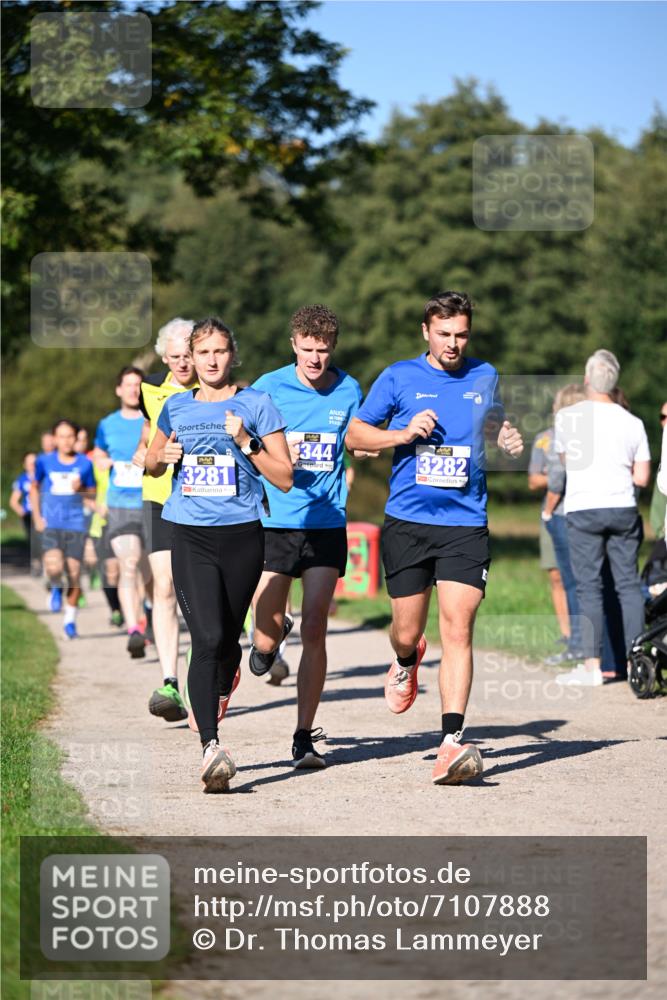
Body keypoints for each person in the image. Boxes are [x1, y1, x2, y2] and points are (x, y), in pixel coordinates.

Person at [345, 290, 523, 785]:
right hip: (408, 521)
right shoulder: (399, 377)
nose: (453, 343)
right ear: (426, 331)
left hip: (466, 523)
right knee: (407, 629)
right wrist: (402, 435)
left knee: (459, 628)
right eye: (444, 334)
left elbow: (490, 423)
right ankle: (406, 659)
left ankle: (450, 741)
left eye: (461, 334)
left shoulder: (484, 375)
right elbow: (356, 436)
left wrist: (503, 434)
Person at [145, 317, 293, 792]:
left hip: (243, 534)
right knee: (206, 638)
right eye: (202, 352)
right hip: (189, 532)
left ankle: (230, 672)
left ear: (233, 355)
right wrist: (162, 458)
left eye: (219, 352)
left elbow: (285, 476)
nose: (210, 360)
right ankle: (211, 747)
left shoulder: (256, 404)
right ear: (191, 355)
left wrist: (245, 442)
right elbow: (149, 460)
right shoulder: (175, 406)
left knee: (228, 639)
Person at [250, 304, 363, 768]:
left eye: (324, 351)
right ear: (294, 343)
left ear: (332, 348)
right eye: (308, 349)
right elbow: (243, 441)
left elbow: (358, 437)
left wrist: (367, 446)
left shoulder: (349, 388)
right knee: (262, 636)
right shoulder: (268, 387)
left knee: (317, 624)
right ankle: (270, 638)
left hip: (326, 521)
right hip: (276, 521)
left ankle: (303, 736)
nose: (316, 359)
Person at [554, 350, 651, 686]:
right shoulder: (633, 422)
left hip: (583, 509)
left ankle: (592, 666)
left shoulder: (567, 418)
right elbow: (641, 478)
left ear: (586, 380)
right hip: (623, 507)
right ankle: (638, 660)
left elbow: (566, 463)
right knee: (628, 586)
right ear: (615, 382)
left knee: (589, 587)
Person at [133, 317, 198, 723]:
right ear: (163, 356)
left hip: (200, 499)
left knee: (200, 587)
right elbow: (147, 434)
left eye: (188, 355)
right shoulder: (150, 388)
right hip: (159, 495)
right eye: (174, 357)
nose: (182, 364)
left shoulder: (210, 388)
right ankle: (170, 680)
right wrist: (144, 453)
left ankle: (207, 664)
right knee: (165, 586)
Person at [94, 366, 150, 658]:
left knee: (150, 573)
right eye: (127, 385)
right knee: (128, 562)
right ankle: (134, 630)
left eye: (137, 385)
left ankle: (147, 615)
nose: (132, 390)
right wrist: (103, 462)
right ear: (118, 389)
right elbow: (99, 452)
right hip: (120, 505)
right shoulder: (107, 424)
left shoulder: (153, 419)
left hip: (153, 504)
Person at [30, 420, 96, 638]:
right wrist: (37, 516)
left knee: (75, 574)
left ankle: (70, 620)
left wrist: (83, 489)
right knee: (54, 567)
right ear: (55, 439)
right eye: (61, 436)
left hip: (75, 524)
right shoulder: (44, 461)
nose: (66, 440)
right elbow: (34, 488)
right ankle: (56, 585)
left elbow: (92, 493)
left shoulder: (84, 464)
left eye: (70, 436)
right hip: (51, 523)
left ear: (76, 439)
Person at [528, 424, 571, 661]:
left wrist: (555, 471)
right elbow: (533, 480)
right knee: (556, 575)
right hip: (551, 513)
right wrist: (560, 472)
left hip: (580, 512)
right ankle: (566, 633)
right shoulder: (543, 439)